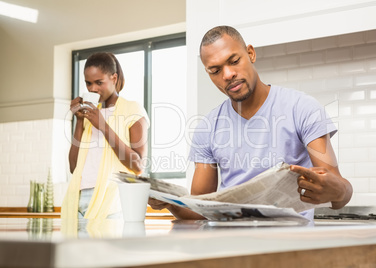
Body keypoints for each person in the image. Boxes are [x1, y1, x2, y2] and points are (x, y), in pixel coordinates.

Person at [149, 26, 353, 221]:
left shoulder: (303, 108)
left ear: (251, 54)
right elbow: (200, 210)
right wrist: (169, 203)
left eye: (234, 61)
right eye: (215, 70)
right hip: (234, 245)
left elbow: (339, 193)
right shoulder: (207, 128)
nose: (227, 74)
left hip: (292, 243)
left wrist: (339, 191)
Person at [62, 52, 149, 220]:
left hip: (112, 203)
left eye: (99, 82)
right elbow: (73, 167)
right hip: (78, 202)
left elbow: (138, 165)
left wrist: (103, 126)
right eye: (88, 83)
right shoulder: (89, 115)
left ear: (114, 78)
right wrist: (79, 121)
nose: (93, 89)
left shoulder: (133, 110)